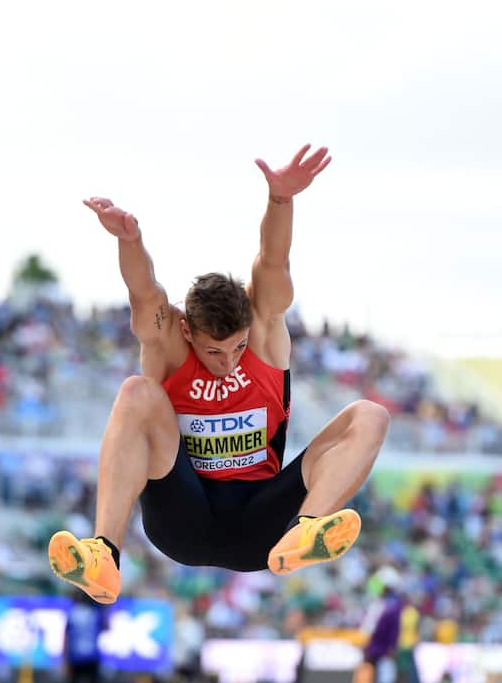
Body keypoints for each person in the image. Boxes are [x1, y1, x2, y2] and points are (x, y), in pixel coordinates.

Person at [49, 144, 390, 603]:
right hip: (182, 515)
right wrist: (129, 241)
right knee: (136, 391)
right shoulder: (168, 339)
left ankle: (307, 531)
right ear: (187, 330)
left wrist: (281, 200)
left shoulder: (264, 325)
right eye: (214, 351)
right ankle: (104, 555)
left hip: (264, 526)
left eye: (238, 348)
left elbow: (273, 261)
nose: (229, 361)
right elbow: (144, 291)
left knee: (370, 414)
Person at [64, 588, 108, 683]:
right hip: (91, 655)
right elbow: (106, 627)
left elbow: (65, 636)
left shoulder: (72, 613)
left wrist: (64, 657)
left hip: (74, 655)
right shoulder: (95, 613)